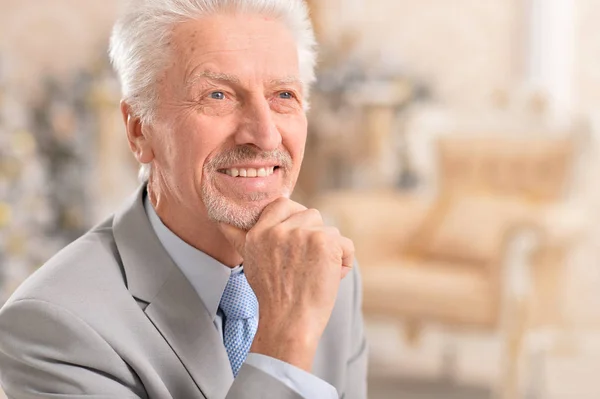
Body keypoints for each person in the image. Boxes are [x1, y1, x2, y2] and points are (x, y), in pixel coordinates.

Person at [0, 0, 368, 398]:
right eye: (217, 95)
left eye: (283, 95)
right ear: (140, 131)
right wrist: (285, 344)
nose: (265, 135)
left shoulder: (325, 269)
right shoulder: (54, 326)